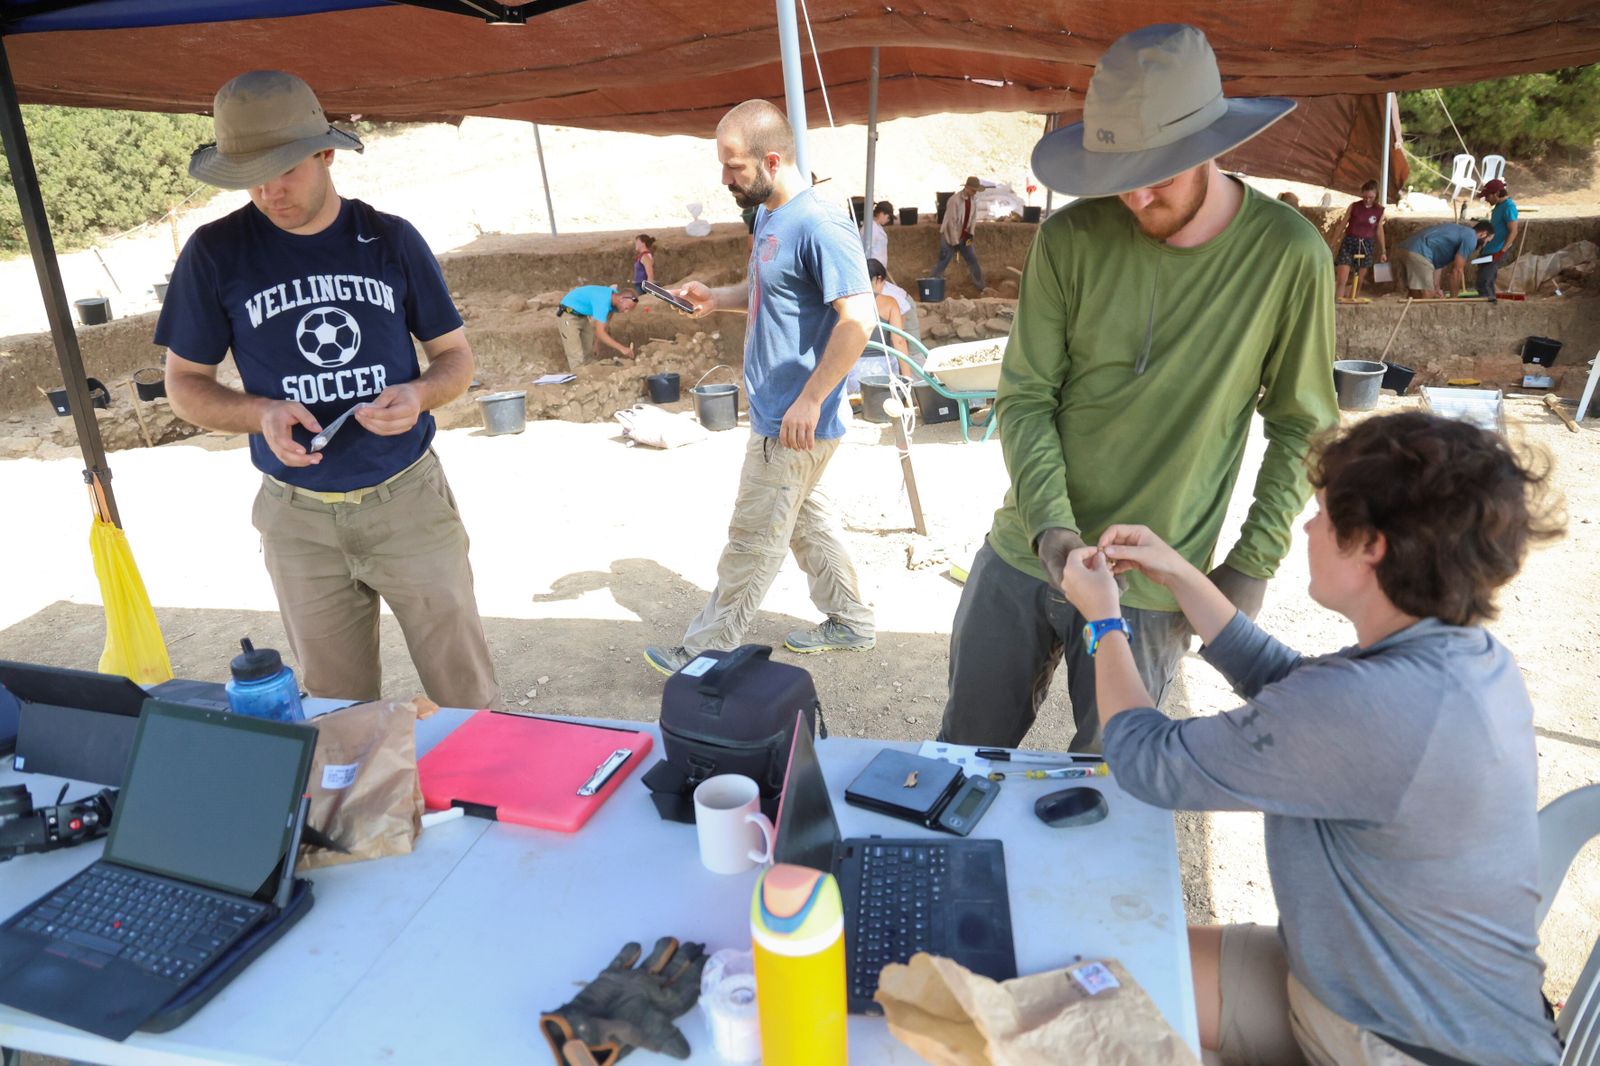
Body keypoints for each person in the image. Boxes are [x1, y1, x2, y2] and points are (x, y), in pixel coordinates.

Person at [1055, 411, 1564, 1066]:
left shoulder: (1371, 705)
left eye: (1322, 514)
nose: (1306, 528)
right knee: (1090, 974)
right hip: (1372, 987)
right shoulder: (1464, 660)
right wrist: (1181, 574)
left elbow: (1145, 759)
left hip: (1396, 1044)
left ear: (1370, 544)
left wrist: (1104, 620)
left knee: (1083, 1012)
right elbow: (1290, 683)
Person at [936, 24, 1338, 753]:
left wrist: (1253, 560)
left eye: (1162, 174)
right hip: (1025, 554)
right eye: (1121, 173)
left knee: (1111, 781)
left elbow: (1302, 422)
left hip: (1152, 587)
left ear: (1211, 147)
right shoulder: (1068, 240)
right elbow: (1027, 397)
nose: (1138, 195)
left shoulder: (1287, 256)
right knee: (964, 757)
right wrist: (1052, 530)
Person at [157, 70, 496, 709]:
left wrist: (419, 396)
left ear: (325, 154)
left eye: (284, 170)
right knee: (337, 710)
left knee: (464, 694)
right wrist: (261, 413)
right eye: (251, 176)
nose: (269, 191)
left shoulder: (391, 239)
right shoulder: (214, 253)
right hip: (298, 520)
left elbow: (454, 357)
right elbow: (185, 385)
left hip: (407, 501)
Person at [643, 99, 878, 675]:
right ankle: (850, 620)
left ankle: (704, 652)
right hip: (783, 412)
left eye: (734, 168)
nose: (725, 180)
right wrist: (716, 298)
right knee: (806, 523)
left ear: (772, 160)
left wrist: (810, 399)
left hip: (795, 418)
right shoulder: (771, 215)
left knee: (752, 537)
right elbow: (770, 292)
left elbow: (859, 320)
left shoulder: (820, 223)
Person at [844, 258, 909, 395]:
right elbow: (899, 341)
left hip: (852, 370)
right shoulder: (889, 303)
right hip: (883, 372)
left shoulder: (846, 302)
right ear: (878, 279)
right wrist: (907, 378)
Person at [1394, 221, 1491, 299]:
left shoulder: (1458, 231)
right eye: (1487, 241)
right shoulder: (1471, 238)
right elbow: (1457, 271)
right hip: (1420, 252)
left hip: (1403, 249)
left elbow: (1437, 264)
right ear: (1483, 234)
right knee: (1427, 295)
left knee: (1415, 294)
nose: (1485, 245)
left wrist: (1437, 288)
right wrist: (1454, 298)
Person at [556, 284, 637, 370]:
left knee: (588, 354)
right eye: (627, 308)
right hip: (567, 314)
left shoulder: (615, 299)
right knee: (576, 357)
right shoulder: (603, 301)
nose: (626, 312)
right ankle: (578, 375)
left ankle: (590, 375)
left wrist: (596, 344)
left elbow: (605, 323)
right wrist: (622, 348)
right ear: (621, 299)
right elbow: (600, 332)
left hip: (582, 315)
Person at [1330, 180, 1387, 298]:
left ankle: (1353, 299)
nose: (1368, 200)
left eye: (1371, 197)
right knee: (1342, 279)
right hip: (1349, 243)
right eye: (1365, 197)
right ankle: (1338, 301)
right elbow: (1342, 225)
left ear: (1376, 195)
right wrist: (1332, 244)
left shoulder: (1379, 210)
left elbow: (1379, 230)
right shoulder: (1354, 206)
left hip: (1366, 245)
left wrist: (1383, 251)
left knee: (1359, 281)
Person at [930, 176, 986, 292]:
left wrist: (971, 234)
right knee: (943, 262)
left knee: (973, 260)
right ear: (967, 188)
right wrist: (955, 242)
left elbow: (973, 218)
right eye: (973, 190)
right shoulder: (954, 200)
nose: (975, 193)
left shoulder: (973, 200)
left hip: (965, 236)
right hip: (949, 237)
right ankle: (931, 286)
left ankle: (981, 287)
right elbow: (951, 222)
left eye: (976, 191)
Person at [1477, 178, 1519, 302]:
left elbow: (1513, 231)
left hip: (1497, 250)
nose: (1486, 199)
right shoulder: (1499, 206)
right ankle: (1487, 301)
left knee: (1485, 280)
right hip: (1489, 249)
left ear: (1496, 193)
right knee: (1482, 280)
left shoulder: (1509, 207)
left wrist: (1502, 251)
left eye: (1487, 196)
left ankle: (1488, 304)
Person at [864, 200, 892, 270]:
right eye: (888, 217)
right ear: (881, 214)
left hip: (878, 268)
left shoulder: (877, 226)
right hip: (873, 269)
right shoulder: (872, 228)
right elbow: (867, 250)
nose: (889, 220)